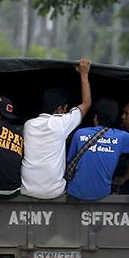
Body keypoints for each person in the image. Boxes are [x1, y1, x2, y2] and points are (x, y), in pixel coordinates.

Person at [65, 98, 129, 202]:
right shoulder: (119, 137)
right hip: (103, 193)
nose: (123, 117)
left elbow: (70, 161)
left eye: (126, 113)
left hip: (75, 192)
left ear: (95, 118)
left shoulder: (79, 134)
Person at [20, 59, 92, 199]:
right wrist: (84, 74)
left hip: (26, 189)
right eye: (65, 110)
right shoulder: (61, 122)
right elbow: (87, 103)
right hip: (54, 192)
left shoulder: (28, 125)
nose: (66, 112)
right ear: (59, 109)